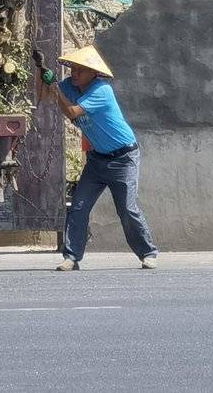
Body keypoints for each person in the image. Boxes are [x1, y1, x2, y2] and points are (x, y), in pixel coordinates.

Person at [41, 45, 158, 271]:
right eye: (73, 69)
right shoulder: (69, 86)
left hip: (123, 157)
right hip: (97, 159)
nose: (75, 73)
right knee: (78, 207)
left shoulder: (101, 90)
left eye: (81, 70)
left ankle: (148, 252)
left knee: (126, 208)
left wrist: (55, 89)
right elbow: (48, 95)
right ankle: (72, 257)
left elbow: (72, 112)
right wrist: (46, 79)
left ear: (94, 73)